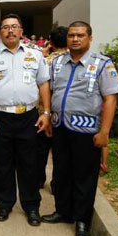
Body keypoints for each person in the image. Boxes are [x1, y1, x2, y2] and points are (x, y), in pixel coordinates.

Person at [41, 21, 118, 236]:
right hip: (60, 127)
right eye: (71, 35)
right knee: (62, 172)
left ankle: (82, 220)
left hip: (87, 132)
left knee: (84, 178)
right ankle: (63, 212)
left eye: (80, 35)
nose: (75, 39)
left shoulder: (102, 64)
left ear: (90, 38)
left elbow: (111, 99)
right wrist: (48, 119)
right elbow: (49, 91)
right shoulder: (57, 63)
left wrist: (104, 131)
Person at [0, 13, 51, 226]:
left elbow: (44, 83)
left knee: (30, 164)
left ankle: (31, 206)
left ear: (21, 31)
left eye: (14, 27)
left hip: (29, 117)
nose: (10, 30)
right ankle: (5, 204)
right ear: (0, 32)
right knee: (1, 163)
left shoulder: (35, 55)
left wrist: (46, 113)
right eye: (5, 27)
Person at [36, 26, 68, 192]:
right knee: (60, 153)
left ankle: (39, 180)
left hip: (42, 113)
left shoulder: (44, 61)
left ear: (51, 42)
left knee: (40, 151)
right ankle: (57, 183)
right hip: (63, 116)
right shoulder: (71, 62)